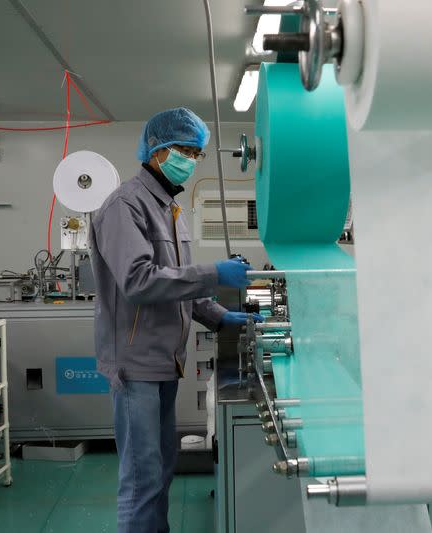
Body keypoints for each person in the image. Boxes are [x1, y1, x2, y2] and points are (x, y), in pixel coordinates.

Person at [90, 107, 263, 533]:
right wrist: (215, 273)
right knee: (142, 476)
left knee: (161, 466)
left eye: (195, 152)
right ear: (155, 149)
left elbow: (179, 287)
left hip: (166, 360)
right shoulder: (125, 206)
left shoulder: (170, 208)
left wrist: (222, 317)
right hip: (135, 364)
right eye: (183, 149)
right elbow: (140, 281)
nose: (190, 158)